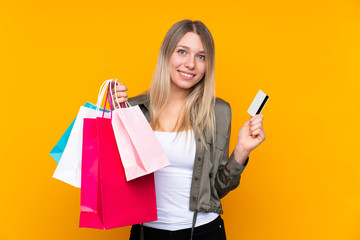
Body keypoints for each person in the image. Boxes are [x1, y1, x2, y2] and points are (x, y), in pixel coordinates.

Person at [110, 19, 266, 240]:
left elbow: (217, 190)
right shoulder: (134, 109)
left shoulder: (218, 112)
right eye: (182, 52)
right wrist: (110, 113)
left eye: (201, 56)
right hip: (146, 233)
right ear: (167, 54)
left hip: (204, 233)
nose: (191, 64)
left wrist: (242, 150)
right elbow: (109, 178)